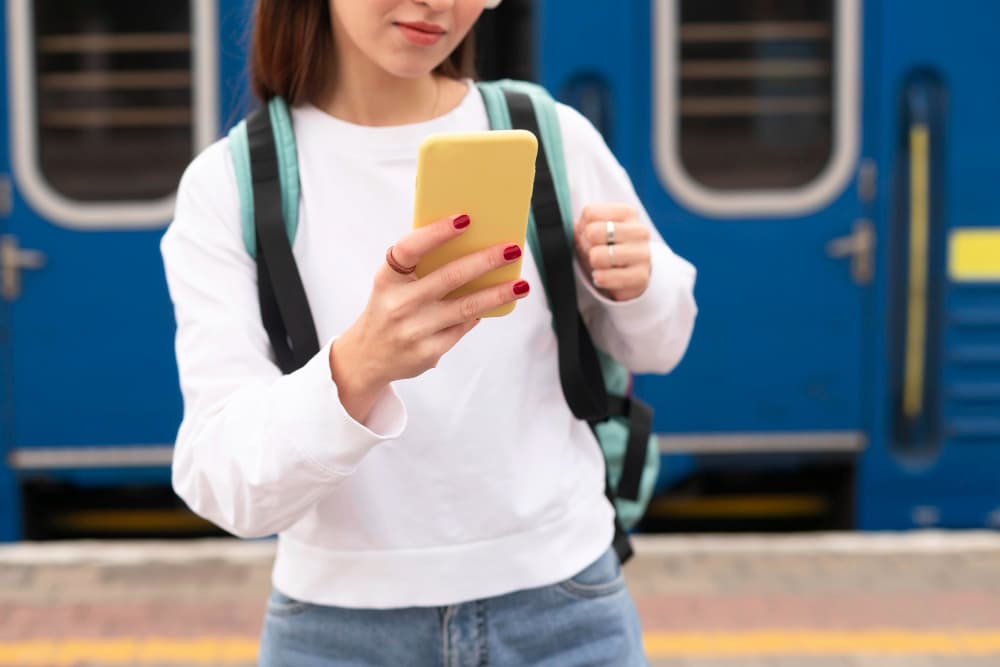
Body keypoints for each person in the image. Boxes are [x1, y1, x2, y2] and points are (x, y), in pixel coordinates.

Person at [160, 0, 697, 664]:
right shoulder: (230, 186)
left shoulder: (547, 134)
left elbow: (661, 345)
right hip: (337, 634)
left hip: (567, 614)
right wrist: (356, 367)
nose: (439, 4)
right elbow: (221, 482)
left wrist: (638, 282)